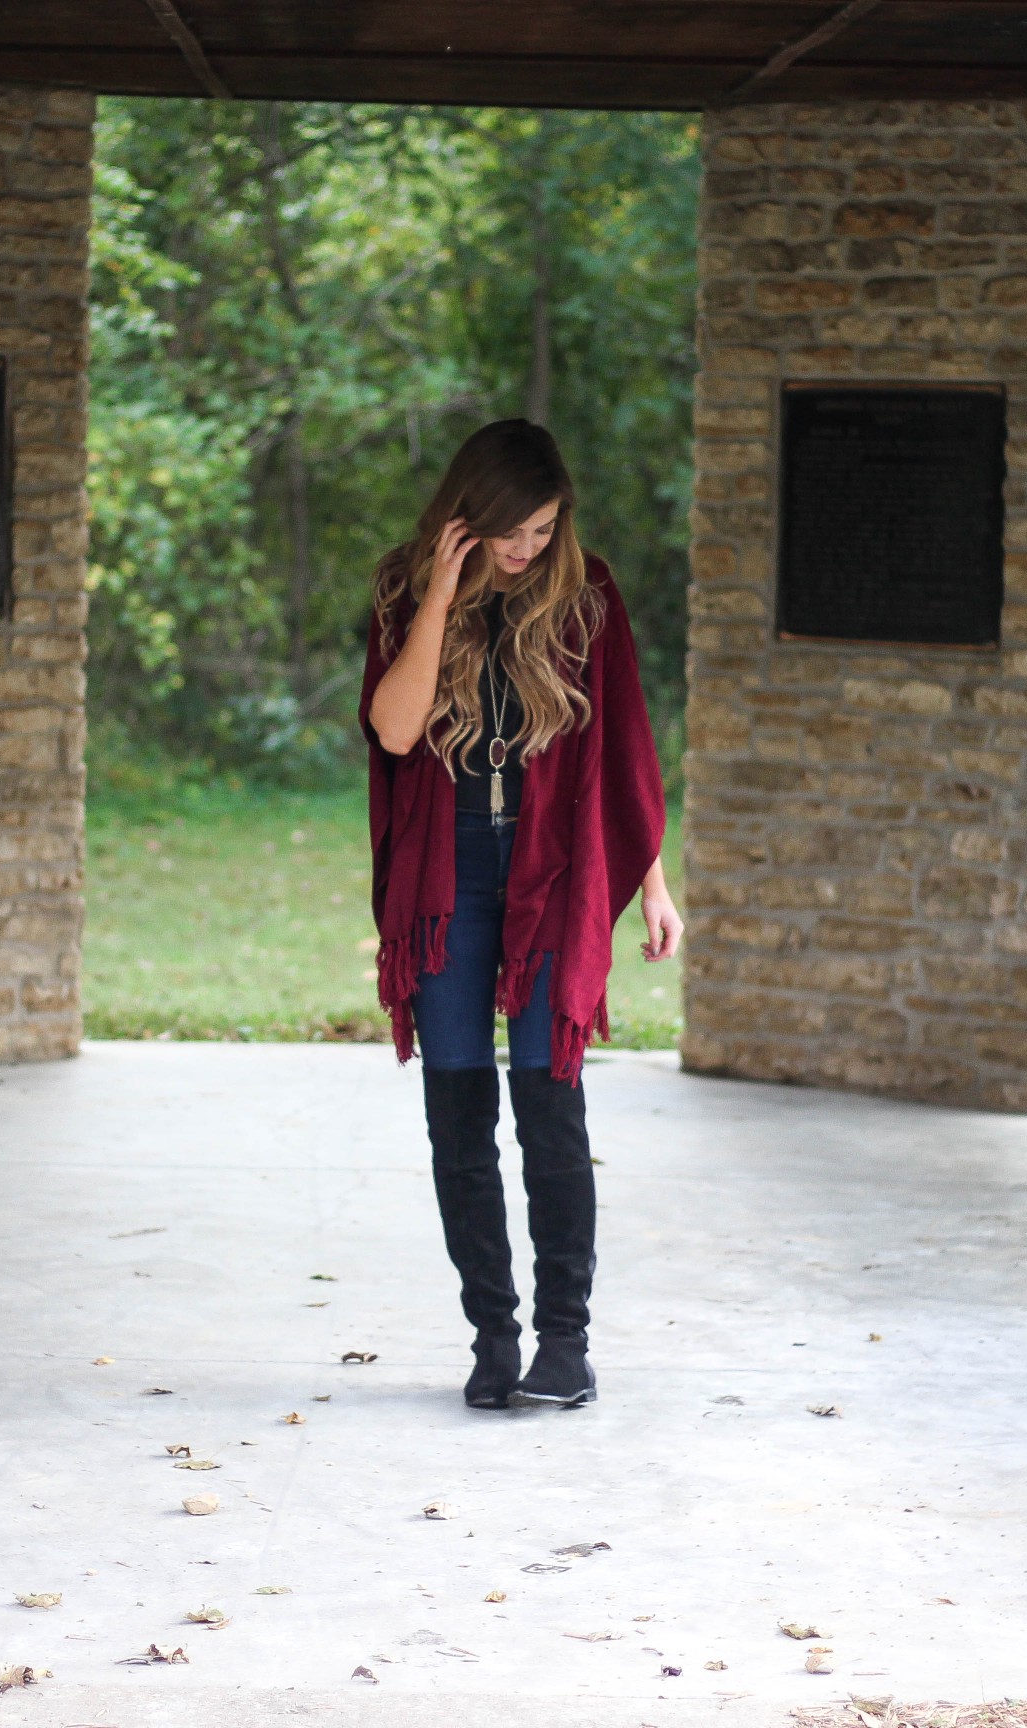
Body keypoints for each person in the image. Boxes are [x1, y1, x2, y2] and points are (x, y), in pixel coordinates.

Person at [359, 419, 681, 1412]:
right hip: (447, 877)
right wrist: (442, 597)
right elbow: (396, 728)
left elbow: (622, 744)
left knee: (550, 1105)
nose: (529, 549)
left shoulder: (587, 598)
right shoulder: (406, 590)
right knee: (459, 1114)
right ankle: (493, 1341)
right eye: (511, 531)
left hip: (555, 872)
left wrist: (655, 882)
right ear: (470, 513)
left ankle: (566, 1345)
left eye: (544, 531)